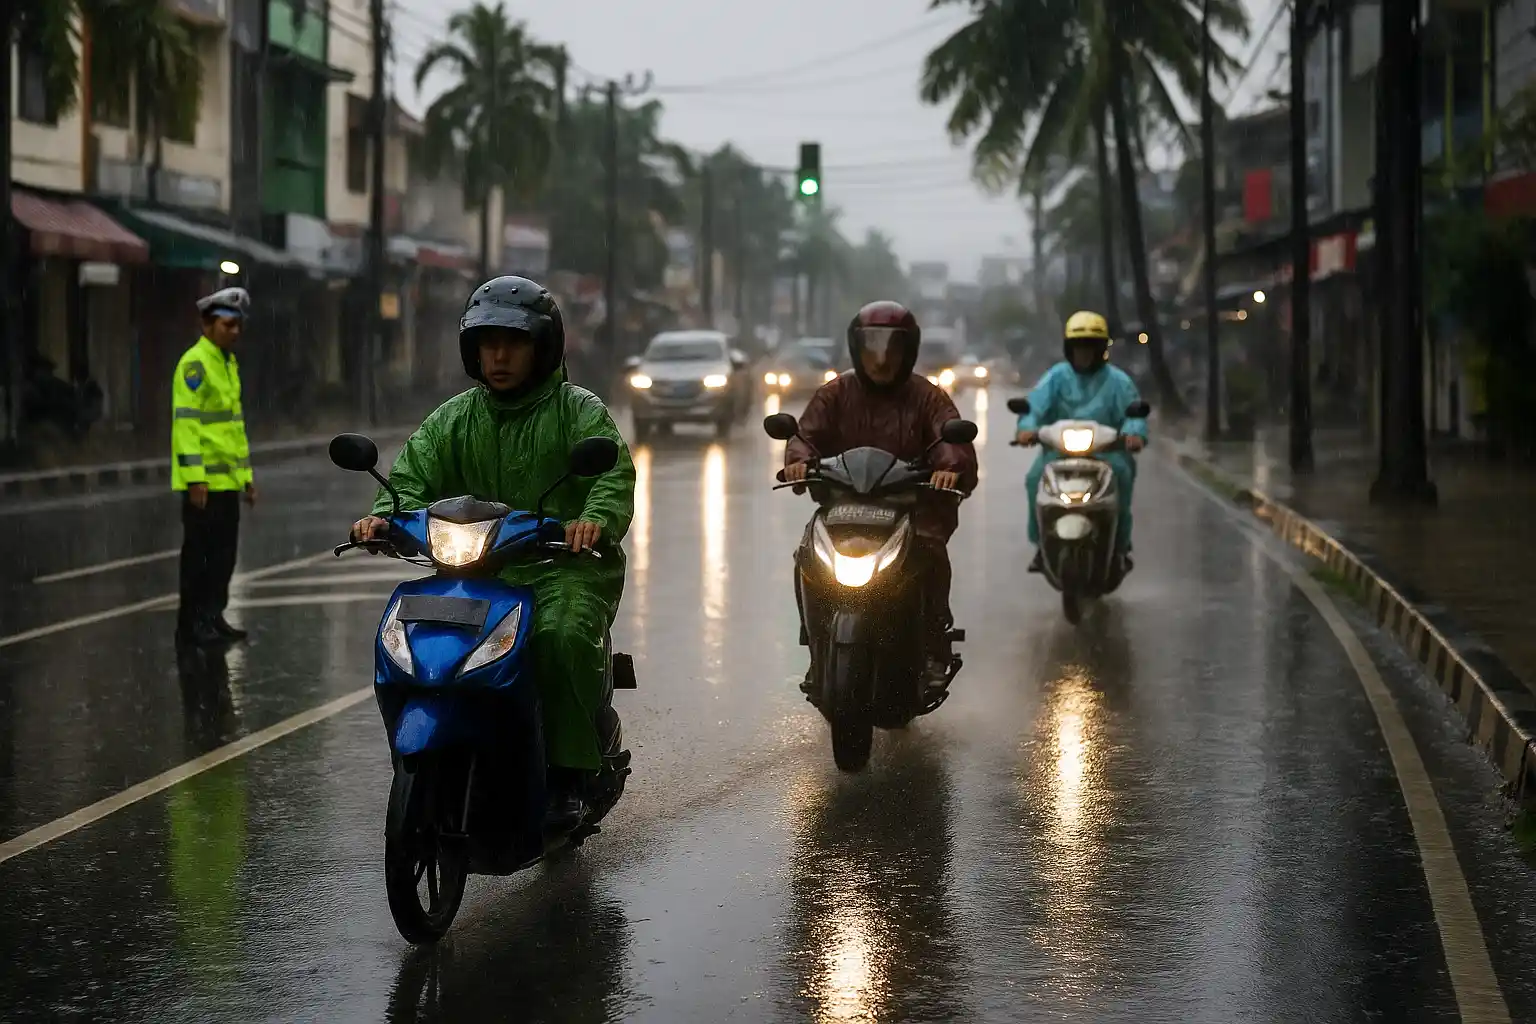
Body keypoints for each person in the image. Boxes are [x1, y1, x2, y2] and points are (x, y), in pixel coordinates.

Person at [348, 276, 636, 829]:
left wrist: (592, 522)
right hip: (476, 566)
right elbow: (411, 478)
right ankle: (433, 758)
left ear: (543, 346)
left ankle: (567, 776)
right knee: (408, 636)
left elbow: (612, 477)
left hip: (561, 568)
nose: (499, 355)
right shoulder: (454, 418)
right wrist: (385, 517)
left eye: (514, 342)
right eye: (487, 343)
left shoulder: (578, 410)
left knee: (559, 636)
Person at [783, 300, 978, 692]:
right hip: (844, 505)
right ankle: (816, 647)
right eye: (872, 345)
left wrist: (949, 467)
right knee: (807, 555)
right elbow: (805, 435)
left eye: (893, 347)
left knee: (930, 551)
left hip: (912, 506)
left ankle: (933, 645)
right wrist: (799, 461)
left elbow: (950, 440)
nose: (882, 357)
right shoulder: (834, 393)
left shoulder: (928, 397)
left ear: (910, 350)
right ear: (857, 347)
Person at [1014, 310, 1147, 572]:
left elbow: (1134, 412)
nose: (1083, 353)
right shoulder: (1056, 377)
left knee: (1122, 475)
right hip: (1059, 454)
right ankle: (1041, 544)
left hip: (1108, 454)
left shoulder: (1118, 381)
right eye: (1078, 347)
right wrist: (1026, 428)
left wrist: (1134, 434)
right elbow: (1034, 407)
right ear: (1068, 348)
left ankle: (1120, 546)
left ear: (1101, 350)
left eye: (1090, 347)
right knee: (1033, 479)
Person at [173, 286, 257, 648]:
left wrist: (247, 478)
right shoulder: (196, 364)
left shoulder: (227, 363)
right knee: (199, 559)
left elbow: (233, 428)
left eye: (238, 325)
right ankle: (191, 624)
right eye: (227, 325)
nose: (234, 332)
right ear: (207, 325)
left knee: (224, 557)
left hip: (227, 484)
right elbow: (186, 427)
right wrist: (195, 479)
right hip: (203, 485)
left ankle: (214, 616)